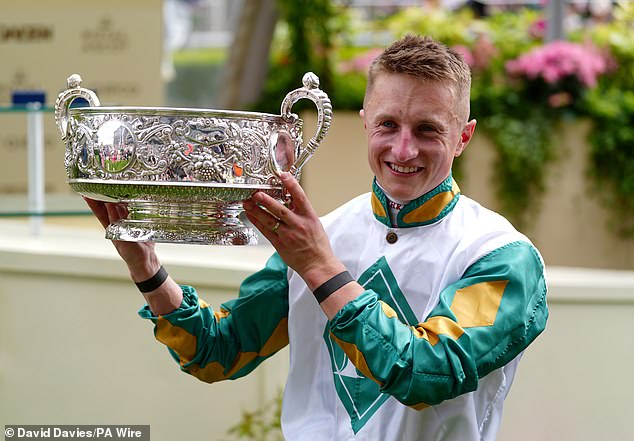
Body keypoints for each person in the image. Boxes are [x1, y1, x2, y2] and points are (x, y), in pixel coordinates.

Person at [85, 35, 548, 440]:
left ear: (464, 136)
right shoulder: (322, 235)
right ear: (366, 121)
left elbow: (424, 374)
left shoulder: (503, 256)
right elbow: (218, 351)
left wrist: (320, 268)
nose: (403, 149)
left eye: (428, 130)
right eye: (388, 124)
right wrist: (145, 267)